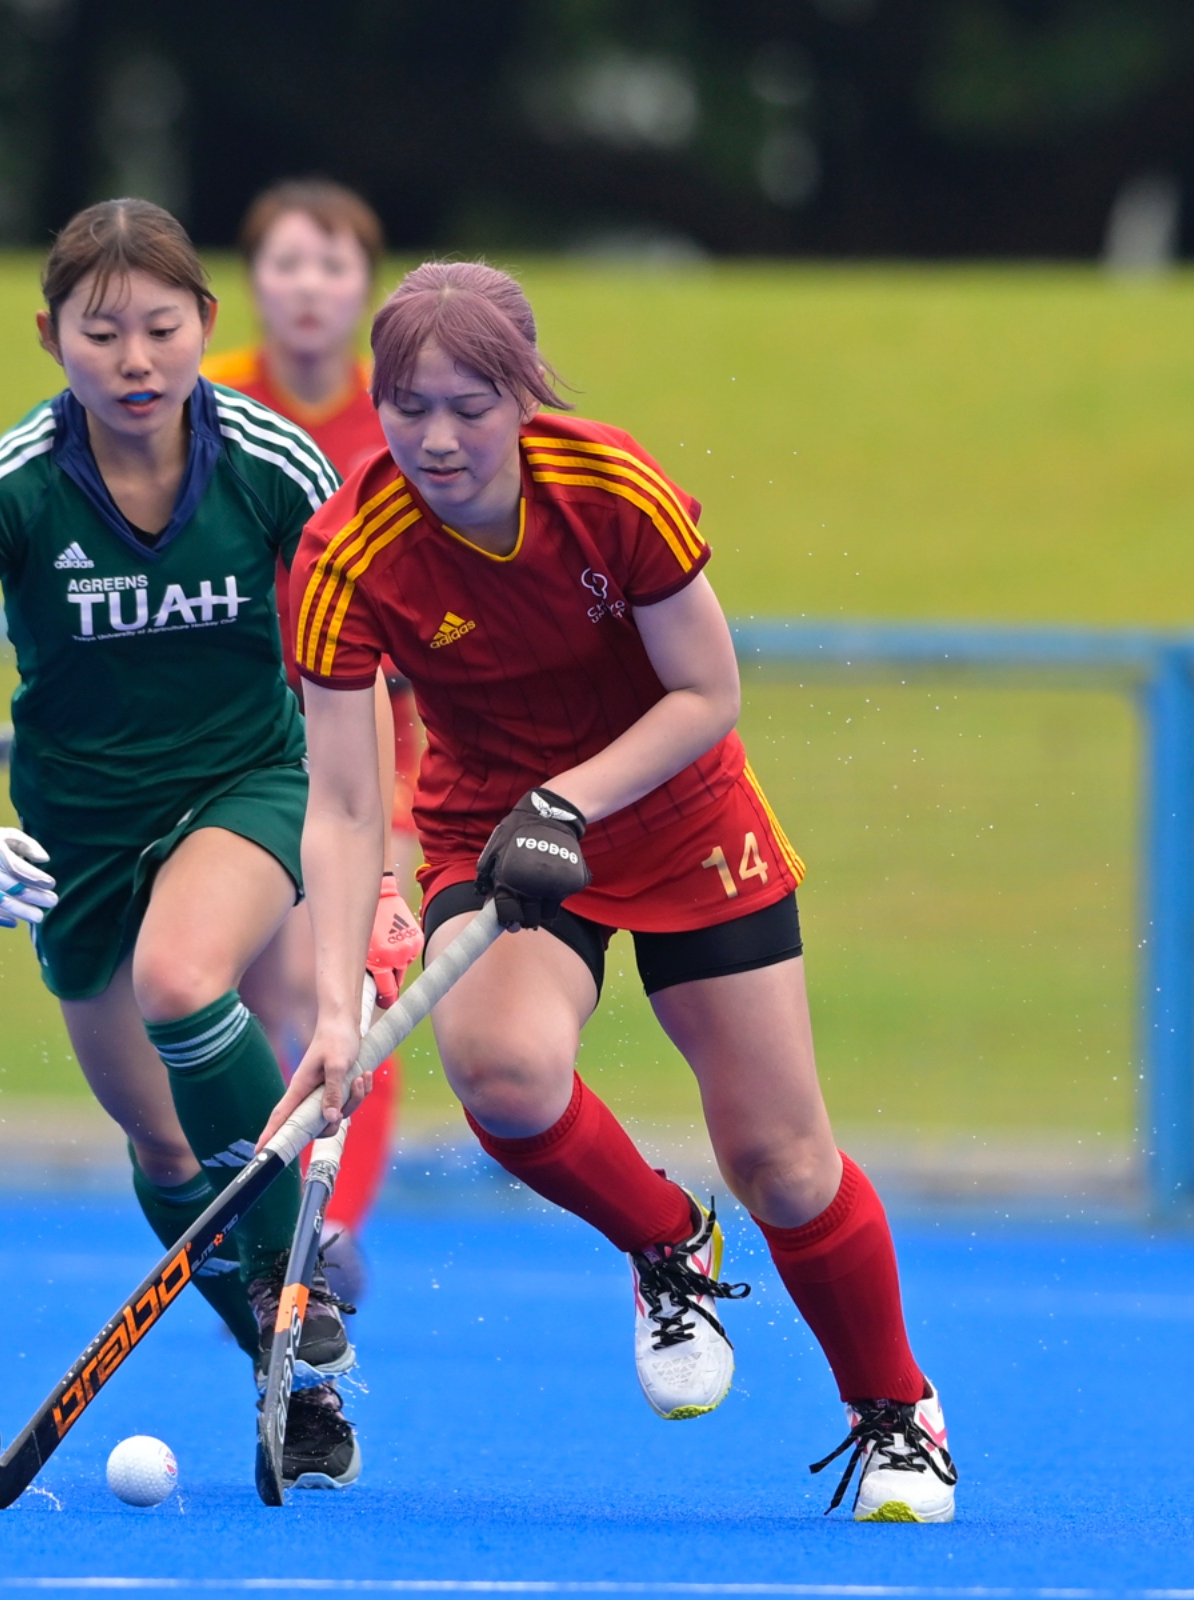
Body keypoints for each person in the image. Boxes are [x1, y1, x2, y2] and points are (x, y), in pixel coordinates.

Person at [270, 261, 959, 1521]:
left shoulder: (610, 489)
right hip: (492, 828)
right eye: (408, 406)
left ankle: (895, 1409)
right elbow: (346, 803)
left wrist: (571, 801)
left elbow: (709, 692)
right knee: (503, 1072)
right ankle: (666, 1242)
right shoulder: (344, 551)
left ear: (525, 394)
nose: (436, 438)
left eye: (470, 406)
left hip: (681, 813)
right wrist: (329, 1005)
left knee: (781, 1161)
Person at [0, 198, 360, 1489]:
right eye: (101, 334)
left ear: (206, 322)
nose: (135, 359)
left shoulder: (272, 462)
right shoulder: (13, 486)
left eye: (160, 328)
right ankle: (288, 1369)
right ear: (51, 338)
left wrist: (378, 835)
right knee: (162, 1149)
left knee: (182, 983)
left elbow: (361, 644)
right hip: (79, 838)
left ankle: (295, 1267)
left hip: (243, 785)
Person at [203, 179, 420, 1302]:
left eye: (332, 266)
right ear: (252, 282)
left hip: (376, 728)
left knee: (339, 977)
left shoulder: (410, 414)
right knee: (231, 990)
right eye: (286, 263)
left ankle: (327, 1234)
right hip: (238, 732)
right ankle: (260, 1214)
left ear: (364, 288)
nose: (308, 288)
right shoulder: (202, 403)